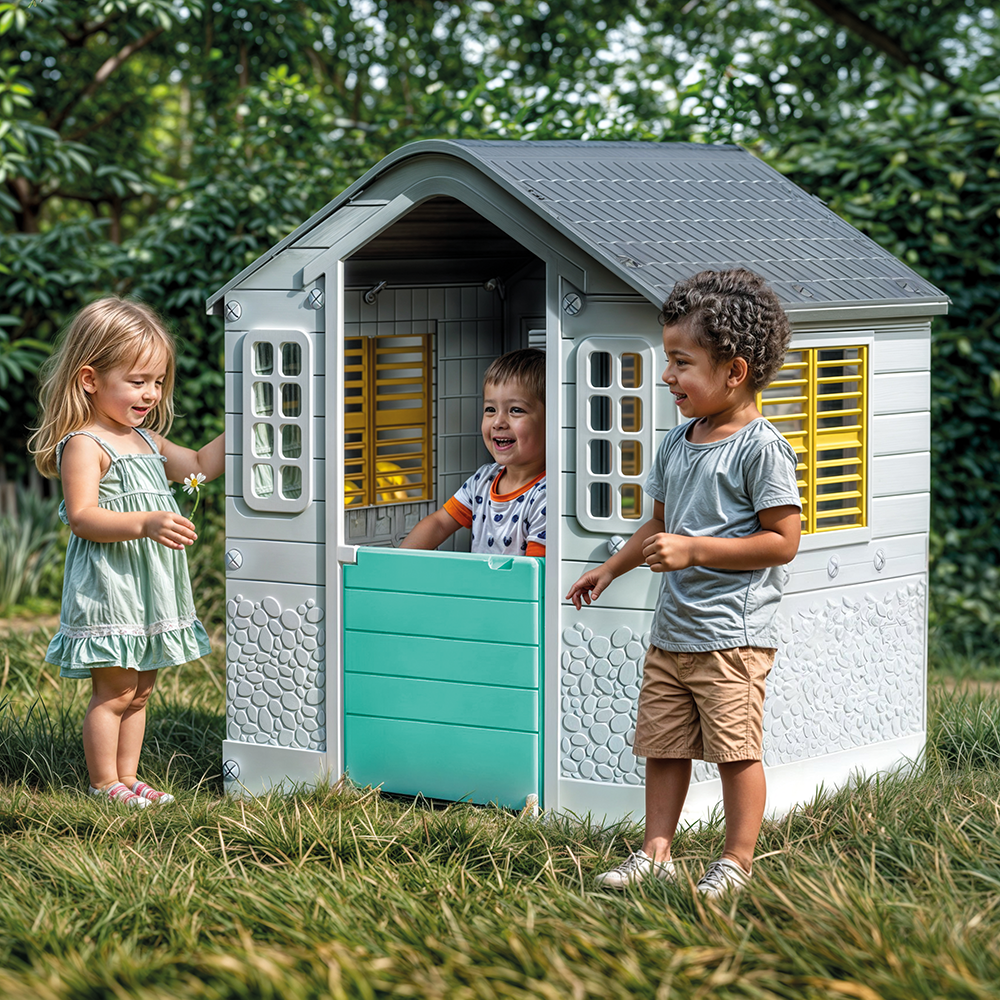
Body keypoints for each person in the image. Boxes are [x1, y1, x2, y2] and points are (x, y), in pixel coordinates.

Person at [566, 269, 801, 896]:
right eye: (668, 360)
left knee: (735, 751)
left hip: (732, 639)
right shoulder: (677, 441)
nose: (667, 376)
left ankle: (736, 863)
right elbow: (659, 522)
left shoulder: (760, 450)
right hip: (672, 634)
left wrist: (695, 550)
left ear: (734, 371)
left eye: (681, 362)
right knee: (663, 745)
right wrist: (611, 567)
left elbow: (783, 541)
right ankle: (656, 853)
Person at [28, 296, 225, 808]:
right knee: (115, 692)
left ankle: (128, 777)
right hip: (111, 588)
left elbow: (200, 465)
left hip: (150, 590)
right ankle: (102, 783)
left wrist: (249, 424)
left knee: (140, 692)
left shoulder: (148, 441)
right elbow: (82, 516)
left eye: (157, 382)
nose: (151, 394)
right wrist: (145, 521)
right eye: (137, 381)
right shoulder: (85, 444)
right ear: (90, 379)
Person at [400, 347, 546, 557]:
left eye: (515, 410)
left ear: (553, 420)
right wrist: (397, 563)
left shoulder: (546, 496)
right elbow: (439, 524)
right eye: (490, 410)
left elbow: (535, 570)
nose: (498, 422)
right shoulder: (483, 479)